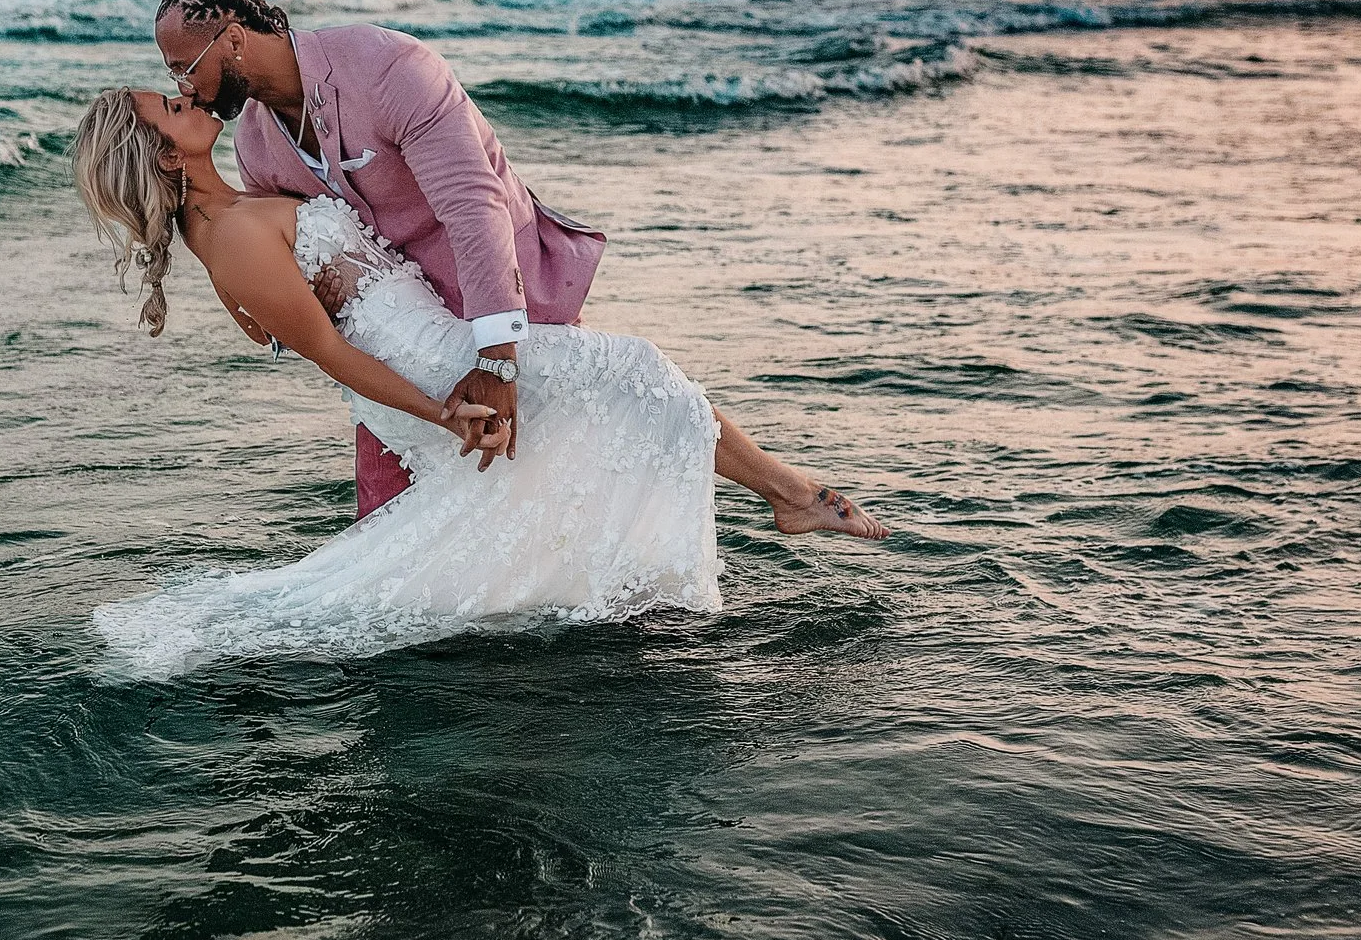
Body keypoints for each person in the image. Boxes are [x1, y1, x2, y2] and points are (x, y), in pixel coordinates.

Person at [72, 85, 884, 679]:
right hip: (433, 372)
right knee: (635, 373)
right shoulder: (230, 237)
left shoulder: (238, 206)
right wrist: (445, 405)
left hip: (446, 350)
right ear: (163, 151)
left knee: (621, 403)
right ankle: (789, 494)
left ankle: (782, 496)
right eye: (169, 109)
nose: (185, 96)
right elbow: (326, 351)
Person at [151, 0, 596, 520]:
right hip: (401, 355)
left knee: (566, 483)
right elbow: (283, 280)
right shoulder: (256, 148)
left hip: (499, 310)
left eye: (183, 68)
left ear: (234, 39)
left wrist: (499, 359)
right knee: (392, 530)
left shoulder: (388, 67)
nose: (184, 88)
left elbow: (473, 205)